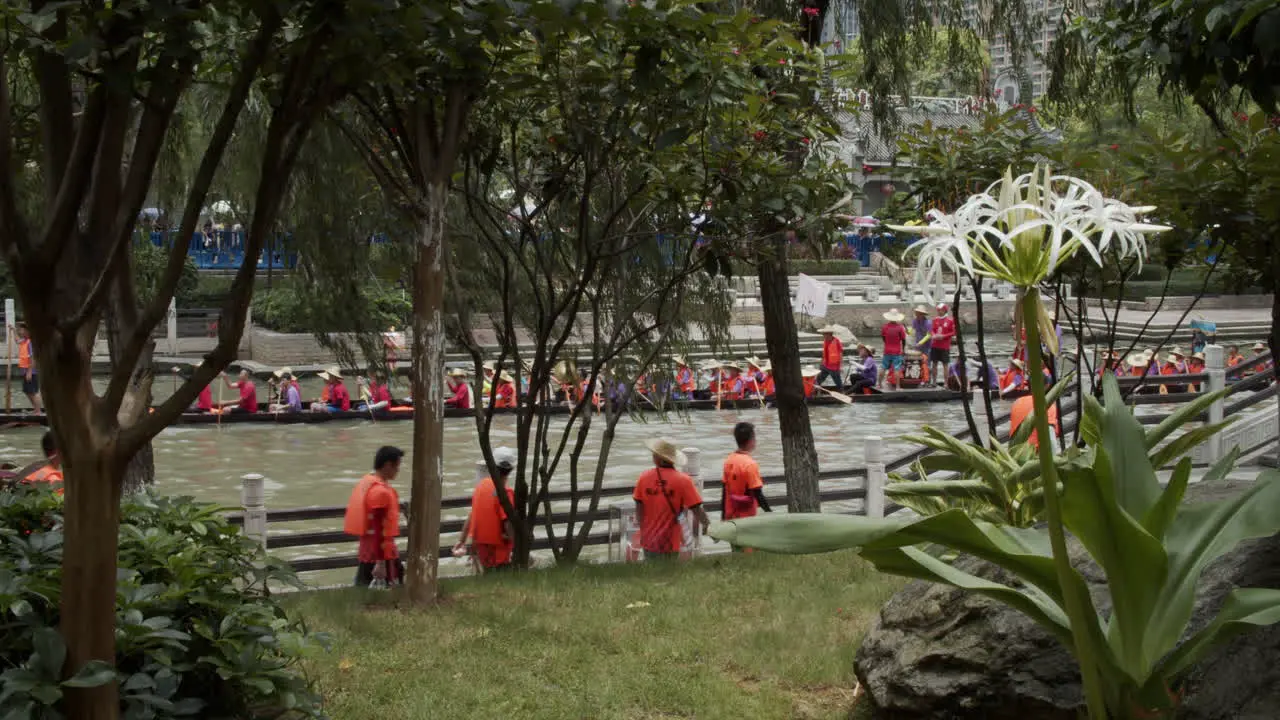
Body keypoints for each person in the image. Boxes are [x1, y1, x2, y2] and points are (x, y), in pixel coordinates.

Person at [633, 438, 708, 560]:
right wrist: (706, 525)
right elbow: (696, 509)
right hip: (670, 540)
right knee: (669, 572)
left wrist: (643, 531)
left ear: (658, 458)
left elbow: (639, 509)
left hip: (649, 539)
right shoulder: (683, 480)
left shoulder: (644, 478)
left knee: (651, 571)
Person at [343, 446, 405, 587]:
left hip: (367, 550)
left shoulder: (368, 483)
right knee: (391, 594)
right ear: (388, 465)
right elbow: (380, 528)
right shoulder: (380, 492)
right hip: (381, 554)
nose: (398, 470)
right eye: (397, 466)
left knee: (363, 591)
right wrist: (381, 563)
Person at [454, 447, 518, 571]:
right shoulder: (505, 494)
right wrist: (518, 547)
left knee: (487, 576)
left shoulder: (481, 487)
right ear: (511, 469)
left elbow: (472, 515)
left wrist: (461, 540)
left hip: (480, 550)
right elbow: (508, 524)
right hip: (499, 554)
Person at [721, 423, 772, 551]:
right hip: (746, 518)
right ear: (751, 440)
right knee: (748, 551)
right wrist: (770, 513)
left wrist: (723, 515)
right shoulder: (750, 464)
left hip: (730, 514)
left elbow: (724, 490)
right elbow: (757, 493)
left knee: (736, 549)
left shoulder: (729, 460)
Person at [15, 322, 41, 414]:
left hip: (31, 371)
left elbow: (33, 358)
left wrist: (30, 372)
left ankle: (38, 412)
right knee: (27, 391)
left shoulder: (30, 342)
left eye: (22, 330)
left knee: (33, 391)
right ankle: (35, 409)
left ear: (27, 331)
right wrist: (13, 330)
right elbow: (17, 340)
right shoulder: (24, 341)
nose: (20, 332)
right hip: (25, 370)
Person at [929, 303, 957, 387]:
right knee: (934, 363)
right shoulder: (935, 320)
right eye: (938, 310)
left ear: (945, 310)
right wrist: (934, 335)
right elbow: (932, 330)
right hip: (935, 345)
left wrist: (943, 336)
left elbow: (954, 332)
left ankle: (945, 383)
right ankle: (934, 382)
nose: (939, 311)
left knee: (945, 365)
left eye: (940, 310)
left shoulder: (950, 320)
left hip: (944, 346)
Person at [879, 309, 907, 390]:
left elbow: (883, 338)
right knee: (897, 368)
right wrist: (904, 349)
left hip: (887, 350)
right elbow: (903, 340)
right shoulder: (900, 328)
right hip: (896, 351)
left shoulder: (885, 327)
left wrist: (887, 344)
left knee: (883, 367)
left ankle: (879, 384)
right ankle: (898, 387)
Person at [816, 325, 844, 390]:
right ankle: (815, 391)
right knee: (818, 380)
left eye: (824, 334)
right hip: (825, 365)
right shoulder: (825, 341)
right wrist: (821, 364)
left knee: (838, 382)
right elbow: (824, 354)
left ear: (829, 334)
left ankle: (842, 392)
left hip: (834, 367)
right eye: (823, 334)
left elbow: (840, 354)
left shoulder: (837, 341)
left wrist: (841, 366)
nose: (823, 335)